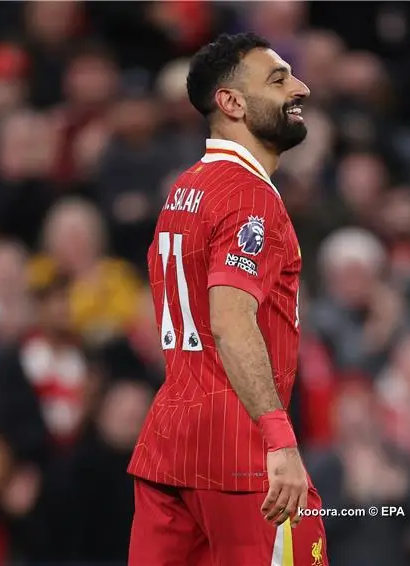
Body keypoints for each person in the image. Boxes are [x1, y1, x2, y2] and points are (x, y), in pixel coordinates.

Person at [126, 32, 328, 566]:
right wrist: (280, 439)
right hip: (240, 458)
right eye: (279, 79)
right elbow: (230, 320)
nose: (300, 87)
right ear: (232, 103)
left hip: (169, 447)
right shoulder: (249, 196)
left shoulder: (186, 187)